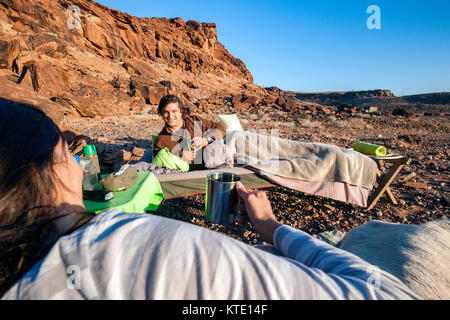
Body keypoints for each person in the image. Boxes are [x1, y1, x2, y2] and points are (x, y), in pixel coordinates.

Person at [0, 100, 421, 300]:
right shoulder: (129, 244)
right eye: (66, 155)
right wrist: (272, 228)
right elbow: (164, 162)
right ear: (44, 172)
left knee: (288, 146)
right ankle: (351, 165)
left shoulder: (197, 122)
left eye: (173, 112)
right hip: (217, 162)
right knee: (293, 158)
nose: (77, 164)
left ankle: (354, 159)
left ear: (181, 112)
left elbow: (221, 133)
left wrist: (208, 137)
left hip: (228, 144)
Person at [152, 95, 227, 170]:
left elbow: (221, 127)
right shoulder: (161, 140)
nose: (170, 116)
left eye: (174, 111)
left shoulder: (194, 121)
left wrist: (206, 140)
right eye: (166, 112)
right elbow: (159, 162)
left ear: (181, 111)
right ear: (161, 114)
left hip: (218, 160)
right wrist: (180, 156)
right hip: (196, 173)